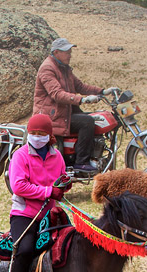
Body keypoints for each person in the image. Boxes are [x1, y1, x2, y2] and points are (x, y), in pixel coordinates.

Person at [5, 113, 70, 272]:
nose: (37, 137)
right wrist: (49, 191)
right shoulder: (20, 156)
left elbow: (60, 179)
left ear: (49, 135)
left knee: (71, 245)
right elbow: (18, 186)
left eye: (42, 133)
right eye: (33, 133)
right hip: (25, 215)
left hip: (50, 214)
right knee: (24, 249)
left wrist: (64, 185)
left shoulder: (57, 156)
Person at [33, 37, 117, 174]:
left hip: (64, 112)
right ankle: (81, 163)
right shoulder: (47, 68)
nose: (70, 55)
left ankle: (93, 156)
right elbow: (57, 94)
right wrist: (82, 100)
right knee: (87, 122)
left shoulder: (64, 68)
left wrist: (102, 91)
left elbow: (80, 86)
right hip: (51, 116)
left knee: (96, 118)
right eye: (66, 52)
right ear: (56, 52)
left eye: (70, 52)